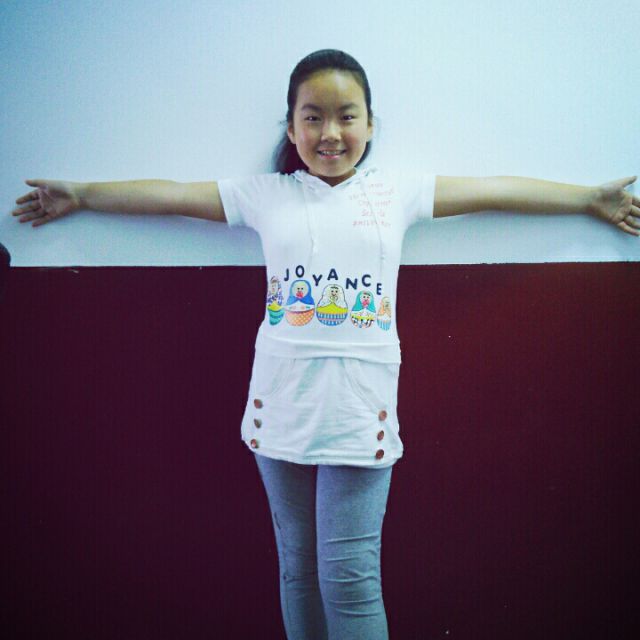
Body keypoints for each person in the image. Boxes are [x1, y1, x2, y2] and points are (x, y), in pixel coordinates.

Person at [10, 48, 639, 640]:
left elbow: (494, 190)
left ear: (370, 124)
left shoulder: (396, 193)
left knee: (351, 578)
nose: (330, 133)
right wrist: (82, 195)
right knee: (297, 568)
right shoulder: (266, 196)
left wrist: (589, 200)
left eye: (347, 116)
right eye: (312, 117)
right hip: (280, 400)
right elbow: (172, 195)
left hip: (359, 406)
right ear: (291, 127)